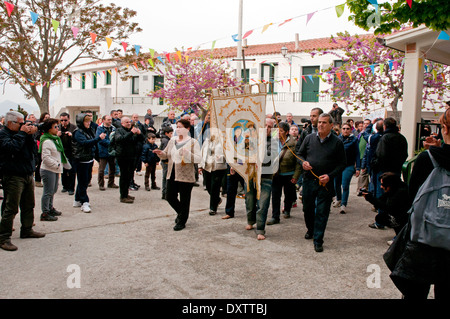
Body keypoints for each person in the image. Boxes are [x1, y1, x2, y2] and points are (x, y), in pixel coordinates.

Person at [387, 109, 450, 300]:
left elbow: (413, 197)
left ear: (444, 128)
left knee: (415, 293)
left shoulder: (428, 160)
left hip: (425, 240)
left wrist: (436, 152)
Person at [297, 113, 346, 252]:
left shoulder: (337, 142)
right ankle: (311, 230)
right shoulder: (309, 138)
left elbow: (342, 164)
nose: (320, 125)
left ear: (331, 125)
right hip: (308, 180)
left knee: (322, 211)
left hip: (325, 183)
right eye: (319, 122)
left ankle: (318, 239)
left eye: (324, 122)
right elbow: (299, 154)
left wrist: (330, 176)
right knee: (307, 208)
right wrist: (303, 162)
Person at [0, 111, 45, 251]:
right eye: (20, 123)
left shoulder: (23, 134)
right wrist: (23, 133)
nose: (23, 126)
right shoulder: (3, 134)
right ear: (9, 123)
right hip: (12, 175)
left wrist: (30, 136)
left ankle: (27, 229)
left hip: (27, 173)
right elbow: (12, 147)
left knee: (28, 204)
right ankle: (3, 237)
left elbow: (32, 151)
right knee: (11, 207)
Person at [153, 119, 201, 231]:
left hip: (186, 176)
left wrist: (188, 153)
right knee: (169, 196)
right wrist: (161, 153)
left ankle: (182, 221)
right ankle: (181, 214)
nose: (178, 129)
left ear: (188, 129)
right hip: (172, 173)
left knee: (185, 200)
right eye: (177, 127)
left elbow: (198, 159)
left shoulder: (193, 142)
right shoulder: (172, 140)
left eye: (181, 127)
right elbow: (166, 154)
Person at [244, 118, 278, 240]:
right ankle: (250, 220)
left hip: (266, 176)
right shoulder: (251, 138)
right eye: (264, 126)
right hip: (250, 175)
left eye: (269, 126)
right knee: (250, 200)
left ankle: (260, 229)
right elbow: (243, 153)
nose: (267, 129)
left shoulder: (274, 141)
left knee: (263, 204)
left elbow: (271, 155)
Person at [267, 122, 301, 224]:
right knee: (275, 196)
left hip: (289, 174)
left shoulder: (294, 143)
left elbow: (298, 162)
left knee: (288, 193)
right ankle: (275, 216)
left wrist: (296, 176)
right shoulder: (272, 142)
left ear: (286, 132)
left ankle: (287, 209)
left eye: (281, 130)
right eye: (276, 130)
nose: (278, 132)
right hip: (276, 174)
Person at [39, 118, 71, 221]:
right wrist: (56, 164)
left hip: (55, 169)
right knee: (48, 191)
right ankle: (45, 212)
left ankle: (50, 208)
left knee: (53, 190)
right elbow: (46, 157)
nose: (58, 128)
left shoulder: (55, 139)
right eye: (55, 127)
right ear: (49, 129)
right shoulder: (46, 141)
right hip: (48, 169)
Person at [72, 113, 106, 213]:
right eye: (86, 121)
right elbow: (85, 143)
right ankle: (84, 201)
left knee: (84, 181)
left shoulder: (89, 130)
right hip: (81, 160)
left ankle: (77, 199)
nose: (88, 123)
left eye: (89, 121)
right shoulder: (78, 132)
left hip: (88, 158)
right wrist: (99, 138)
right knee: (83, 181)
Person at [114, 117, 145, 204]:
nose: (129, 123)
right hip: (123, 156)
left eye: (129, 122)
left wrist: (139, 134)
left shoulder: (132, 131)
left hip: (132, 156)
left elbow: (143, 139)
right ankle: (123, 196)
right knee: (124, 176)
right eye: (126, 122)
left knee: (129, 176)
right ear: (122, 123)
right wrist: (131, 133)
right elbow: (120, 139)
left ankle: (126, 194)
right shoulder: (119, 130)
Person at [333, 123, 361, 214]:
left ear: (350, 130)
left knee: (345, 185)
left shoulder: (354, 140)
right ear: (341, 129)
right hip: (337, 165)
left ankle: (343, 205)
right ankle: (339, 199)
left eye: (347, 128)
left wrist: (358, 168)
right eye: (344, 128)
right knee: (336, 184)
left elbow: (357, 154)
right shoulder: (337, 139)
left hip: (348, 165)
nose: (345, 130)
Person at [199, 131, 227, 216]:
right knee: (208, 186)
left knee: (215, 187)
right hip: (207, 166)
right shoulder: (206, 141)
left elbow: (228, 153)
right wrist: (200, 166)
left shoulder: (224, 141)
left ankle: (212, 208)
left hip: (218, 167)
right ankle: (217, 200)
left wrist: (221, 158)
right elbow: (202, 152)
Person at [96, 115, 118, 191]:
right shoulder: (99, 128)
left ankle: (111, 183)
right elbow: (100, 139)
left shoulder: (113, 128)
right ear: (103, 120)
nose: (110, 121)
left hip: (112, 152)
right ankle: (101, 184)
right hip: (103, 151)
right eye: (108, 120)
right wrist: (110, 143)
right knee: (101, 170)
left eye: (110, 120)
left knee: (113, 168)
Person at [58, 112, 77, 195]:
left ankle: (71, 188)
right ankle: (65, 186)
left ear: (69, 119)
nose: (63, 122)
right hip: (62, 151)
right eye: (61, 120)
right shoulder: (58, 127)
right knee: (63, 170)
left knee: (72, 170)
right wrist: (57, 135)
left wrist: (71, 135)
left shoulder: (73, 127)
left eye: (65, 120)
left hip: (72, 151)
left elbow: (78, 139)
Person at [34, 112, 50, 187]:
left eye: (48, 117)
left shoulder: (50, 127)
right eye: (45, 117)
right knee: (40, 163)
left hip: (48, 147)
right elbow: (37, 136)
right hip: (40, 147)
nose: (47, 119)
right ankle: (37, 180)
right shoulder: (39, 127)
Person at [356, 119, 372, 193]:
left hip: (367, 157)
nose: (365, 125)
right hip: (360, 156)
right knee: (362, 174)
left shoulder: (371, 135)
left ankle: (364, 189)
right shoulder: (361, 134)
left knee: (364, 173)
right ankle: (362, 188)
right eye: (364, 123)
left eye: (367, 123)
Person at [159, 125, 173, 200]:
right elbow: (165, 152)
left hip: (165, 161)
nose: (172, 135)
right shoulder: (166, 141)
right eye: (171, 133)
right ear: (167, 133)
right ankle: (165, 193)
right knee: (166, 178)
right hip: (166, 162)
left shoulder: (165, 140)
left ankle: (165, 193)